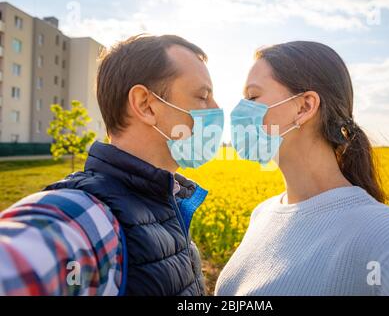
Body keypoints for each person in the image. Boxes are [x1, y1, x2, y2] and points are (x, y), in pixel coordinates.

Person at [215, 41, 389, 296]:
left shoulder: (386, 235)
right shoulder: (262, 215)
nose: (240, 111)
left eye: (252, 97)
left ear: (304, 107)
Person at [0, 34, 224, 296]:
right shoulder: (86, 218)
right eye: (203, 96)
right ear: (146, 105)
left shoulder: (166, 202)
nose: (216, 108)